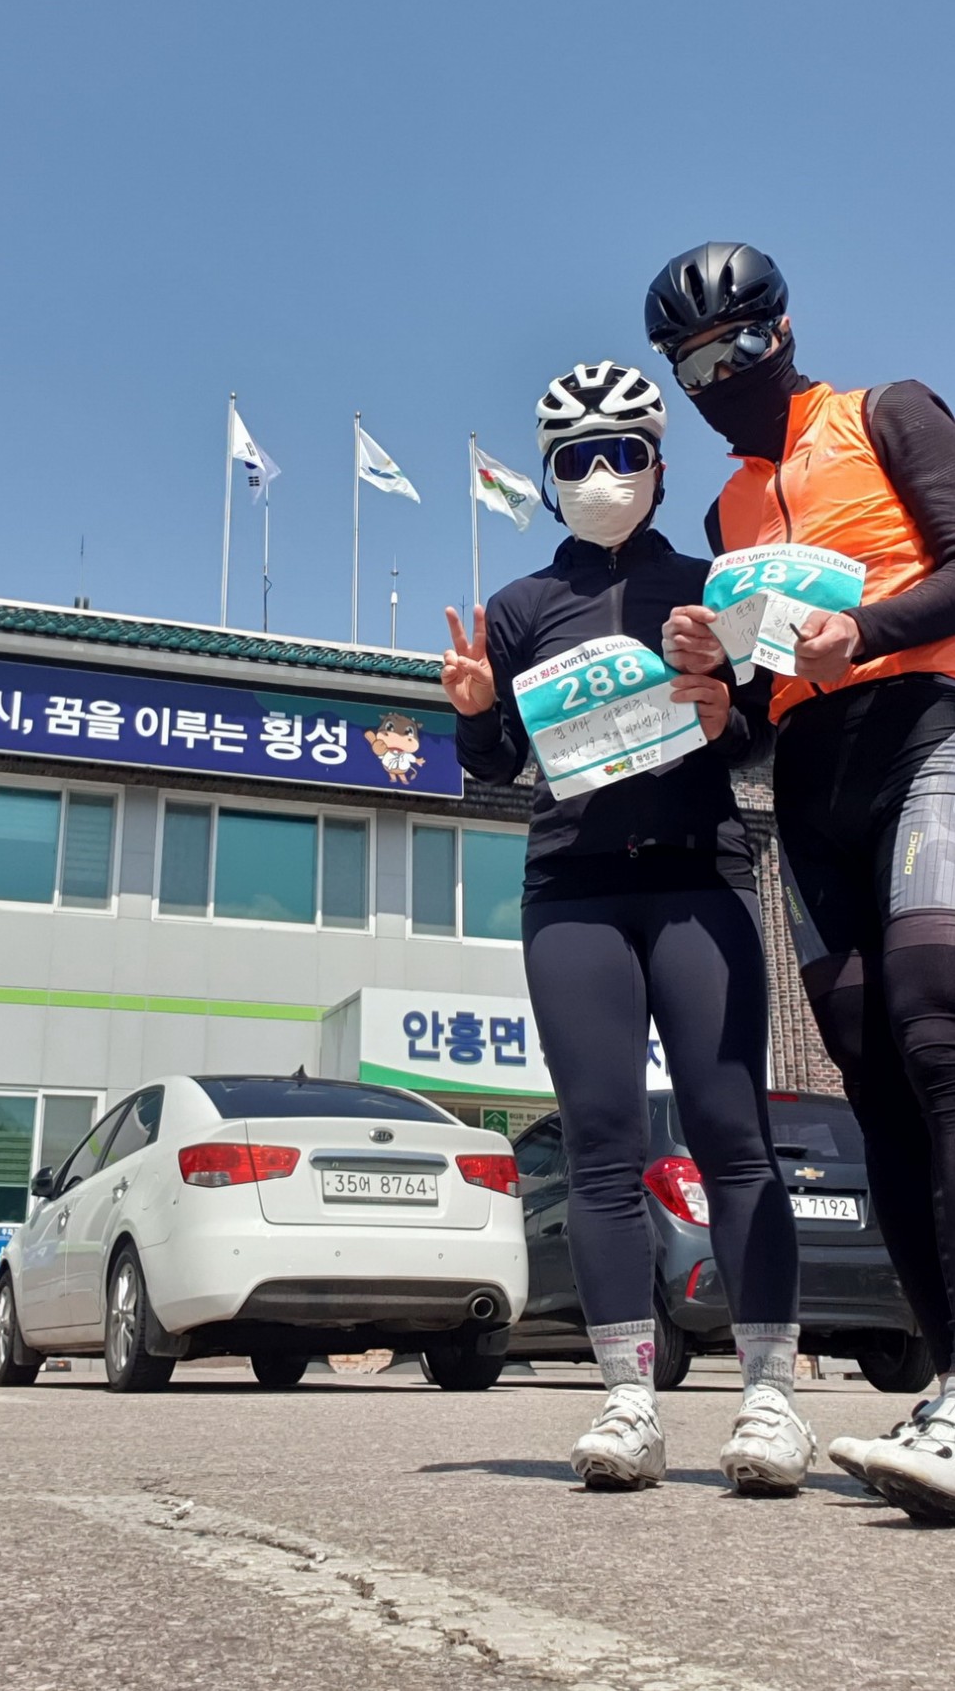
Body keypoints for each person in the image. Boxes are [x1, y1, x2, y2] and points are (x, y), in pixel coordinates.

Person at [442, 360, 811, 1495]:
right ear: (551, 477)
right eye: (578, 459)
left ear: (657, 464)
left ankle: (769, 1400)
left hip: (701, 878)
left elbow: (757, 738)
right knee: (600, 1144)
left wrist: (726, 706)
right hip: (573, 890)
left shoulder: (709, 587)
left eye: (623, 454)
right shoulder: (519, 608)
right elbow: (496, 767)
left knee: (731, 1133)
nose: (602, 475)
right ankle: (627, 1402)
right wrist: (473, 712)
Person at [648, 241, 955, 1520]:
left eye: (735, 345)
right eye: (690, 365)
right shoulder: (725, 516)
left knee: (936, 1025)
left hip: (926, 731)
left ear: (782, 329)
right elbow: (756, 713)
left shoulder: (885, 411)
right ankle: (947, 1391)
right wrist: (714, 689)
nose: (717, 376)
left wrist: (865, 628)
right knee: (872, 1076)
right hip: (811, 787)